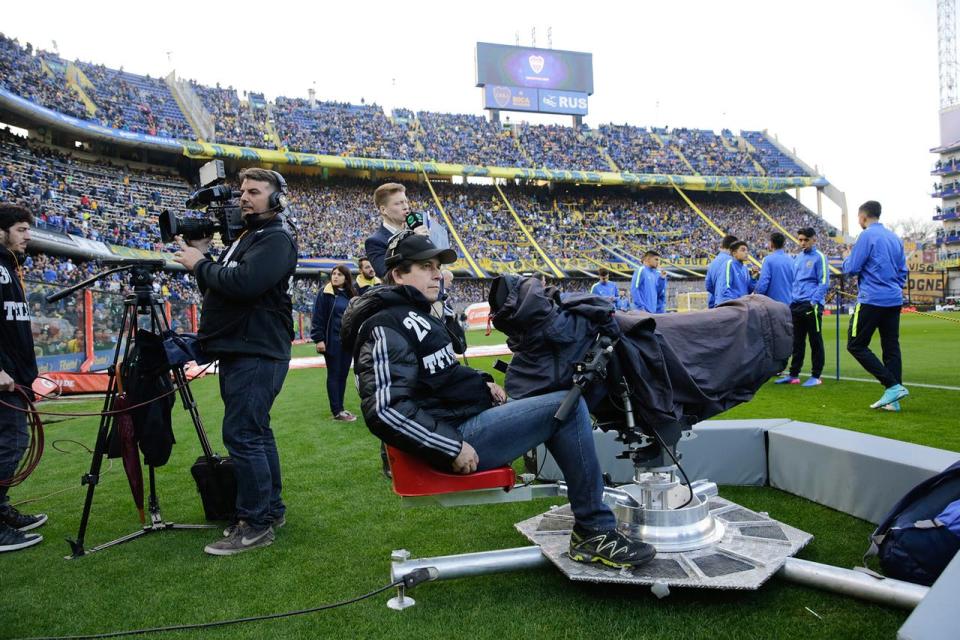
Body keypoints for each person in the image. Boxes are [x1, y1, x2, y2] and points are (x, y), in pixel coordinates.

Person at [342, 231, 656, 569]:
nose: (437, 273)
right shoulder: (386, 324)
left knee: (555, 397)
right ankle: (594, 530)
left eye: (437, 266)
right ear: (398, 274)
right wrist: (450, 448)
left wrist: (482, 382)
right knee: (567, 404)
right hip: (455, 438)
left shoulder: (414, 313)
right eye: (424, 266)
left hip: (459, 421)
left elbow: (438, 377)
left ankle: (589, 511)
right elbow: (385, 409)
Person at [173, 168, 298, 556]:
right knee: (255, 432)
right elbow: (221, 287)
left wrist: (200, 263)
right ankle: (270, 510)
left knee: (244, 435)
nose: (244, 197)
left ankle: (255, 524)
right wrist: (204, 262)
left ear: (276, 199)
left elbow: (244, 285)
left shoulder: (276, 238)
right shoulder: (250, 236)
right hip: (245, 348)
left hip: (256, 350)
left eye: (255, 192)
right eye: (243, 191)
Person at [0, 204, 47, 553]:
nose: (28, 236)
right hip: (4, 378)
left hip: (16, 374)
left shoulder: (10, 268)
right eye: (20, 229)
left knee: (11, 442)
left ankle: (1, 511)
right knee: (11, 443)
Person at [842, 200, 909, 411]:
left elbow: (852, 268)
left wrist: (846, 258)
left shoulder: (867, 235)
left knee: (855, 344)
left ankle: (891, 386)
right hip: (893, 299)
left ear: (863, 217)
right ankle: (894, 401)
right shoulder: (894, 238)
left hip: (871, 299)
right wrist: (893, 287)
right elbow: (902, 272)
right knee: (891, 347)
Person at [776, 228, 829, 387]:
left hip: (811, 305)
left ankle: (816, 375)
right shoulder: (798, 258)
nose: (802, 243)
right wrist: (792, 299)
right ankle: (793, 375)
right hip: (796, 304)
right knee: (797, 341)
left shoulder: (820, 257)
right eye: (800, 240)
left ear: (814, 239)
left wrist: (814, 301)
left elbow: (824, 282)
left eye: (806, 240)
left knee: (815, 341)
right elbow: (795, 281)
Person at [364, 183, 449, 278]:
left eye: (406, 202)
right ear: (384, 210)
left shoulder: (415, 230)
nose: (405, 207)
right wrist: (412, 241)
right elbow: (386, 273)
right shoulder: (375, 241)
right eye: (398, 203)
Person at [311, 264, 356, 422]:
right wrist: (319, 339)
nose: (335, 276)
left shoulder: (350, 295)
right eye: (334, 273)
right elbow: (318, 317)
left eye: (339, 274)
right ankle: (336, 411)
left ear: (346, 278)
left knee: (343, 376)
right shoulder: (325, 293)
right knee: (334, 374)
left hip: (347, 342)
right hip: (332, 342)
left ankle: (341, 408)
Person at [754, 232, 794, 306]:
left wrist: (756, 295)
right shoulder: (791, 260)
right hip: (788, 304)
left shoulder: (768, 260)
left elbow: (763, 284)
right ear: (783, 244)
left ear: (771, 243)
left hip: (772, 305)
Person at [704, 234, 738, 308]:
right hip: (730, 305)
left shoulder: (713, 262)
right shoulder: (732, 262)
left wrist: (717, 294)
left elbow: (708, 285)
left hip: (714, 303)